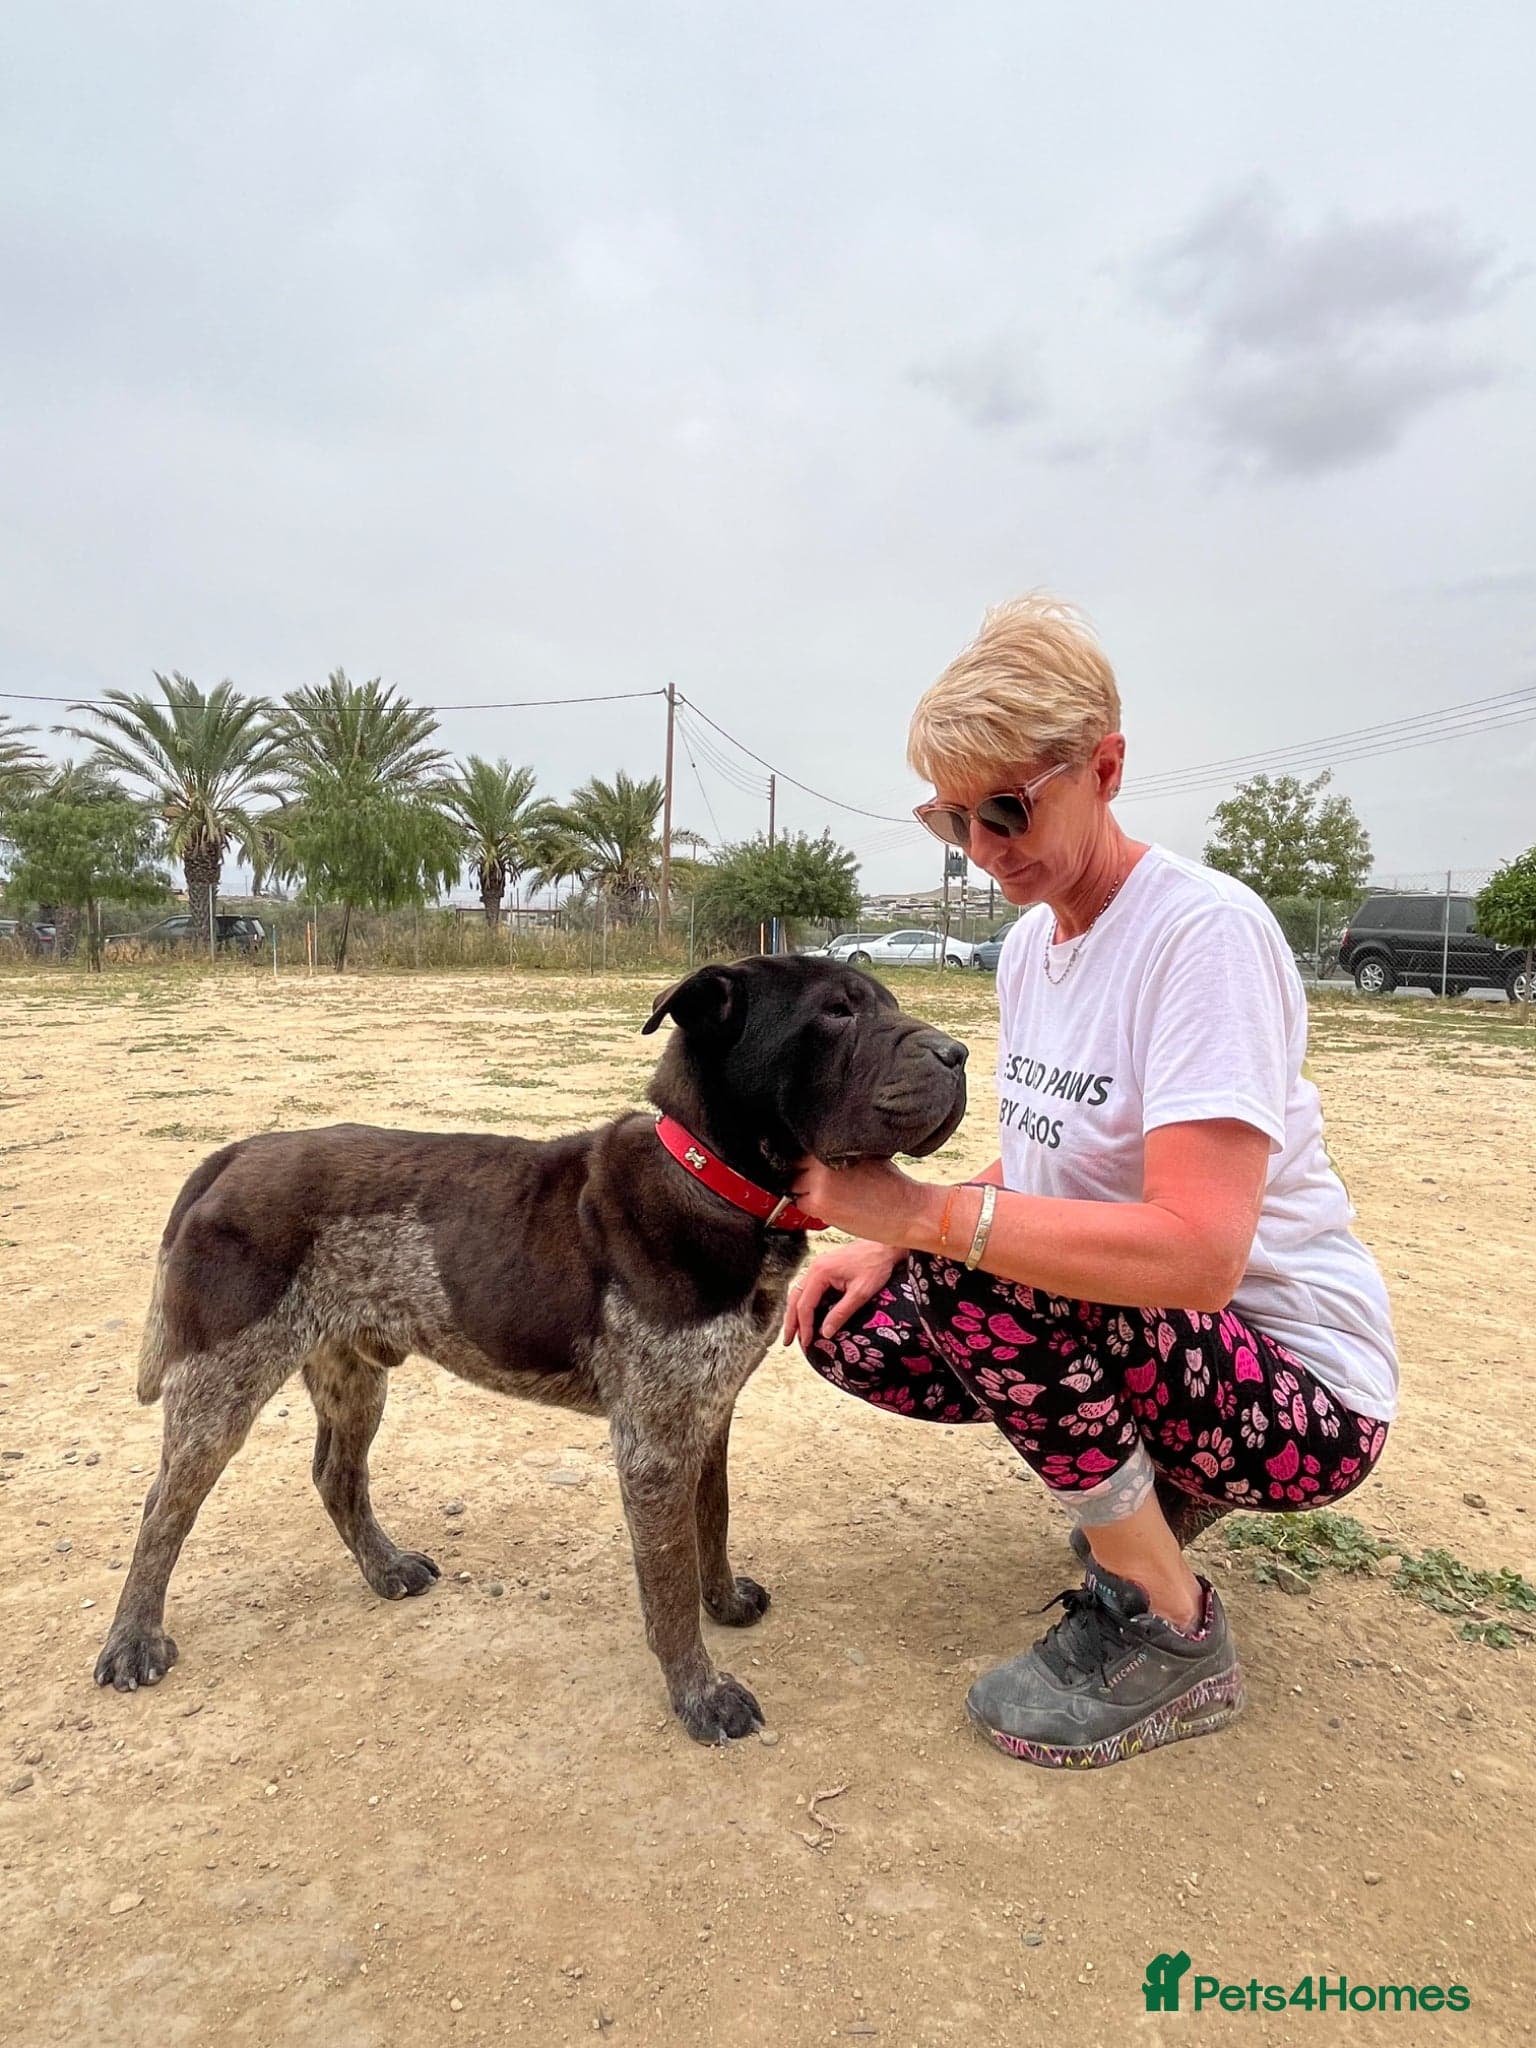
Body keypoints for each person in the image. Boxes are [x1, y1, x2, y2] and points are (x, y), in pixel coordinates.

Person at [781, 597, 1397, 1769]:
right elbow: (1051, 1152)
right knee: (857, 1324)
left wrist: (921, 1215)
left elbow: (1200, 1255)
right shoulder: (1032, 944)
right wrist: (889, 1240)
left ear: (1105, 769)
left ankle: (1170, 1628)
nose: (982, 844)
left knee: (973, 1267)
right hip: (1172, 1348)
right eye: (951, 818)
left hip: (1300, 1392)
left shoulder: (1201, 936)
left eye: (1006, 807)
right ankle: (1161, 1489)